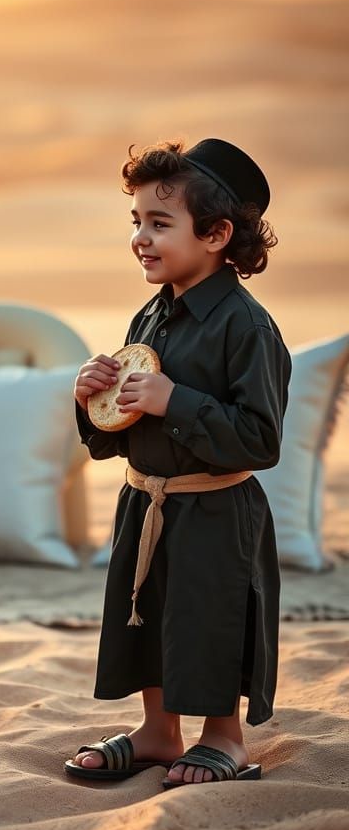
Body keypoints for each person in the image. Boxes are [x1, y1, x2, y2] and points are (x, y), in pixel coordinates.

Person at [64, 138, 291, 788]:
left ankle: (224, 738)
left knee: (212, 616)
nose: (141, 237)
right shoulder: (153, 311)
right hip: (147, 499)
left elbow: (260, 440)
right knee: (150, 615)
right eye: (135, 221)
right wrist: (93, 398)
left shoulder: (247, 328)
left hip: (216, 505)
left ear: (217, 233)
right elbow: (117, 430)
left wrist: (175, 400)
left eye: (160, 223)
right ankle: (159, 732)